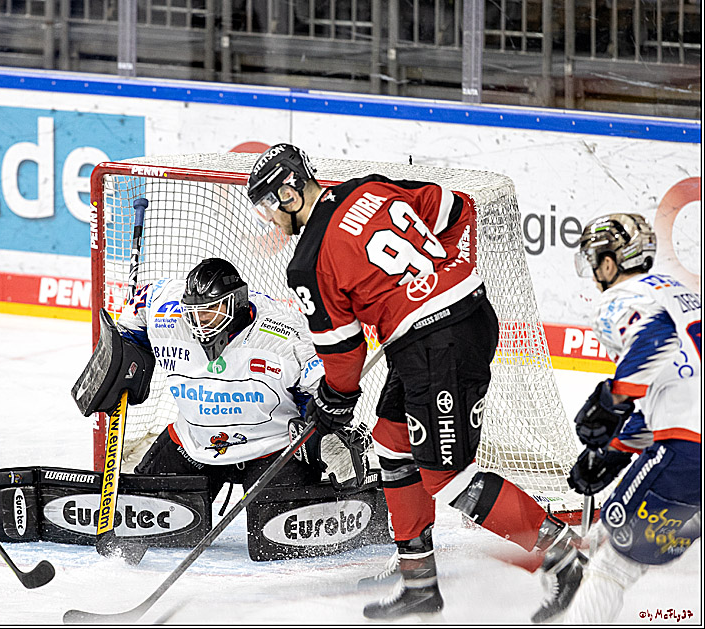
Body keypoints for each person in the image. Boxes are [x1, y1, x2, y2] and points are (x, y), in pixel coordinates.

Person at [246, 143, 585, 622]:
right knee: (391, 447)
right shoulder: (367, 187)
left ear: (288, 192)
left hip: (437, 346)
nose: (268, 218)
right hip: (449, 330)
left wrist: (335, 398)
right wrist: (450, 274)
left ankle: (564, 554)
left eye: (267, 204)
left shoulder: (308, 262)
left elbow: (343, 354)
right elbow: (457, 207)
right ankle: (420, 585)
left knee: (449, 479)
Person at [562, 213, 701, 622]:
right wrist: (616, 451)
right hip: (688, 443)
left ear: (608, 264)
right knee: (612, 533)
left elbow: (657, 341)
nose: (594, 276)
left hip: (689, 453)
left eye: (595, 264)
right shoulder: (681, 293)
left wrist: (612, 400)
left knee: (614, 564)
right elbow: (674, 385)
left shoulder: (619, 300)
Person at [119, 257, 324, 501]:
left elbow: (319, 396)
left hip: (273, 449)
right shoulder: (167, 312)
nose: (200, 320)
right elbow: (142, 303)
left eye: (210, 309)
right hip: (194, 444)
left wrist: (318, 434)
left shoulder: (288, 334)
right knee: (153, 527)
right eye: (193, 311)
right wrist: (124, 350)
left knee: (276, 534)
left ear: (236, 302)